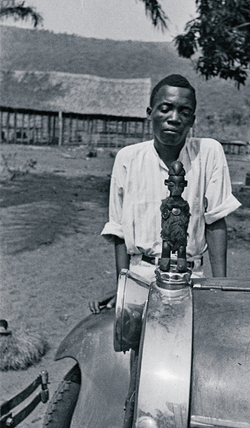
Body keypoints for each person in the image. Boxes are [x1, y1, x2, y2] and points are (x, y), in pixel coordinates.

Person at [90, 74, 240, 312]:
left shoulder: (209, 152)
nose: (174, 118)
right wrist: (123, 287)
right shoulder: (128, 159)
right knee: (131, 342)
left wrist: (220, 286)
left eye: (184, 112)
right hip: (141, 275)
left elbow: (216, 220)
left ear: (192, 120)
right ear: (150, 112)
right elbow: (119, 230)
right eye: (166, 109)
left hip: (192, 275)